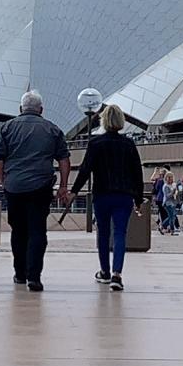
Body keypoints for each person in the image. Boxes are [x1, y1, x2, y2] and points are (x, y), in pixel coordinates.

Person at [0, 91, 71, 292]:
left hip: (15, 187)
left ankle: (20, 273)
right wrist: (63, 185)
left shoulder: (7, 127)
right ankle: (34, 277)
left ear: (20, 109)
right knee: (37, 230)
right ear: (41, 110)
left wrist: (3, 180)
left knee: (18, 230)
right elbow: (64, 160)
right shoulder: (52, 129)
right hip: (41, 186)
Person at [68, 104, 143, 291]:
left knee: (103, 233)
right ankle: (117, 275)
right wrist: (139, 199)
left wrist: (74, 191)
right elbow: (137, 173)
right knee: (120, 233)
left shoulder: (96, 143)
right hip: (124, 196)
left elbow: (85, 170)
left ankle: (104, 271)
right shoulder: (128, 144)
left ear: (104, 120)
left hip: (102, 195)